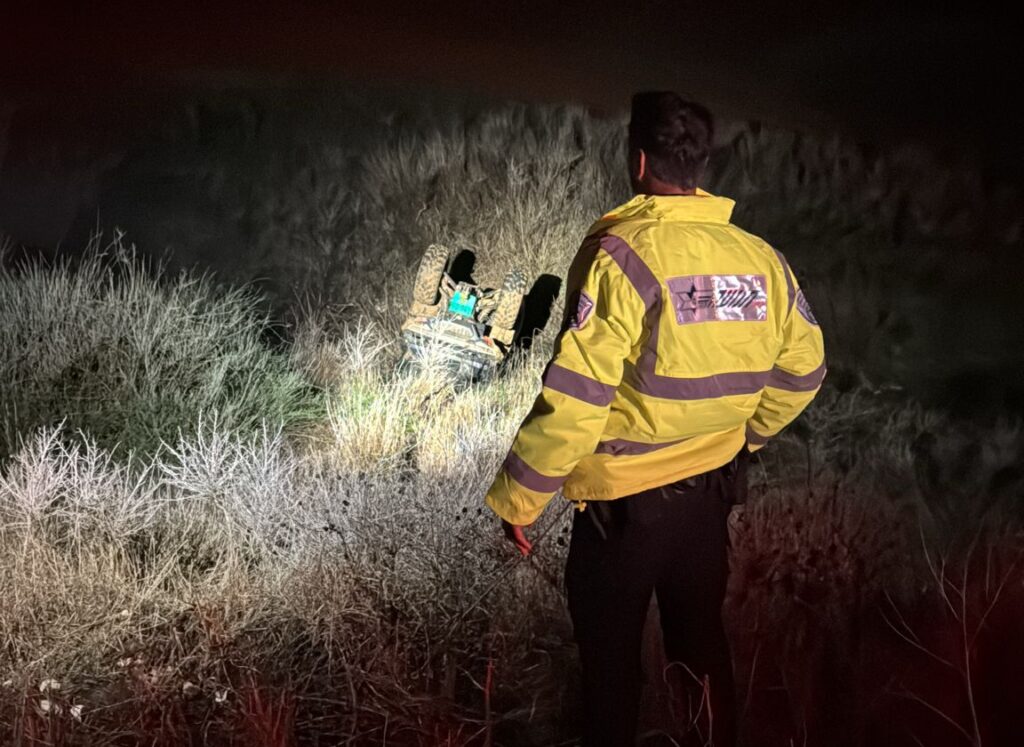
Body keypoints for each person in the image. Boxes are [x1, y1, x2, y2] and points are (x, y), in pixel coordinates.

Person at [483, 92, 826, 746]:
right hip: (707, 501)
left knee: (610, 667)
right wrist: (748, 436)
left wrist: (522, 495)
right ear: (702, 162)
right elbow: (805, 370)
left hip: (624, 511)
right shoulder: (762, 260)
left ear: (638, 160)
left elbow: (580, 391)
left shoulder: (624, 255)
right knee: (701, 649)